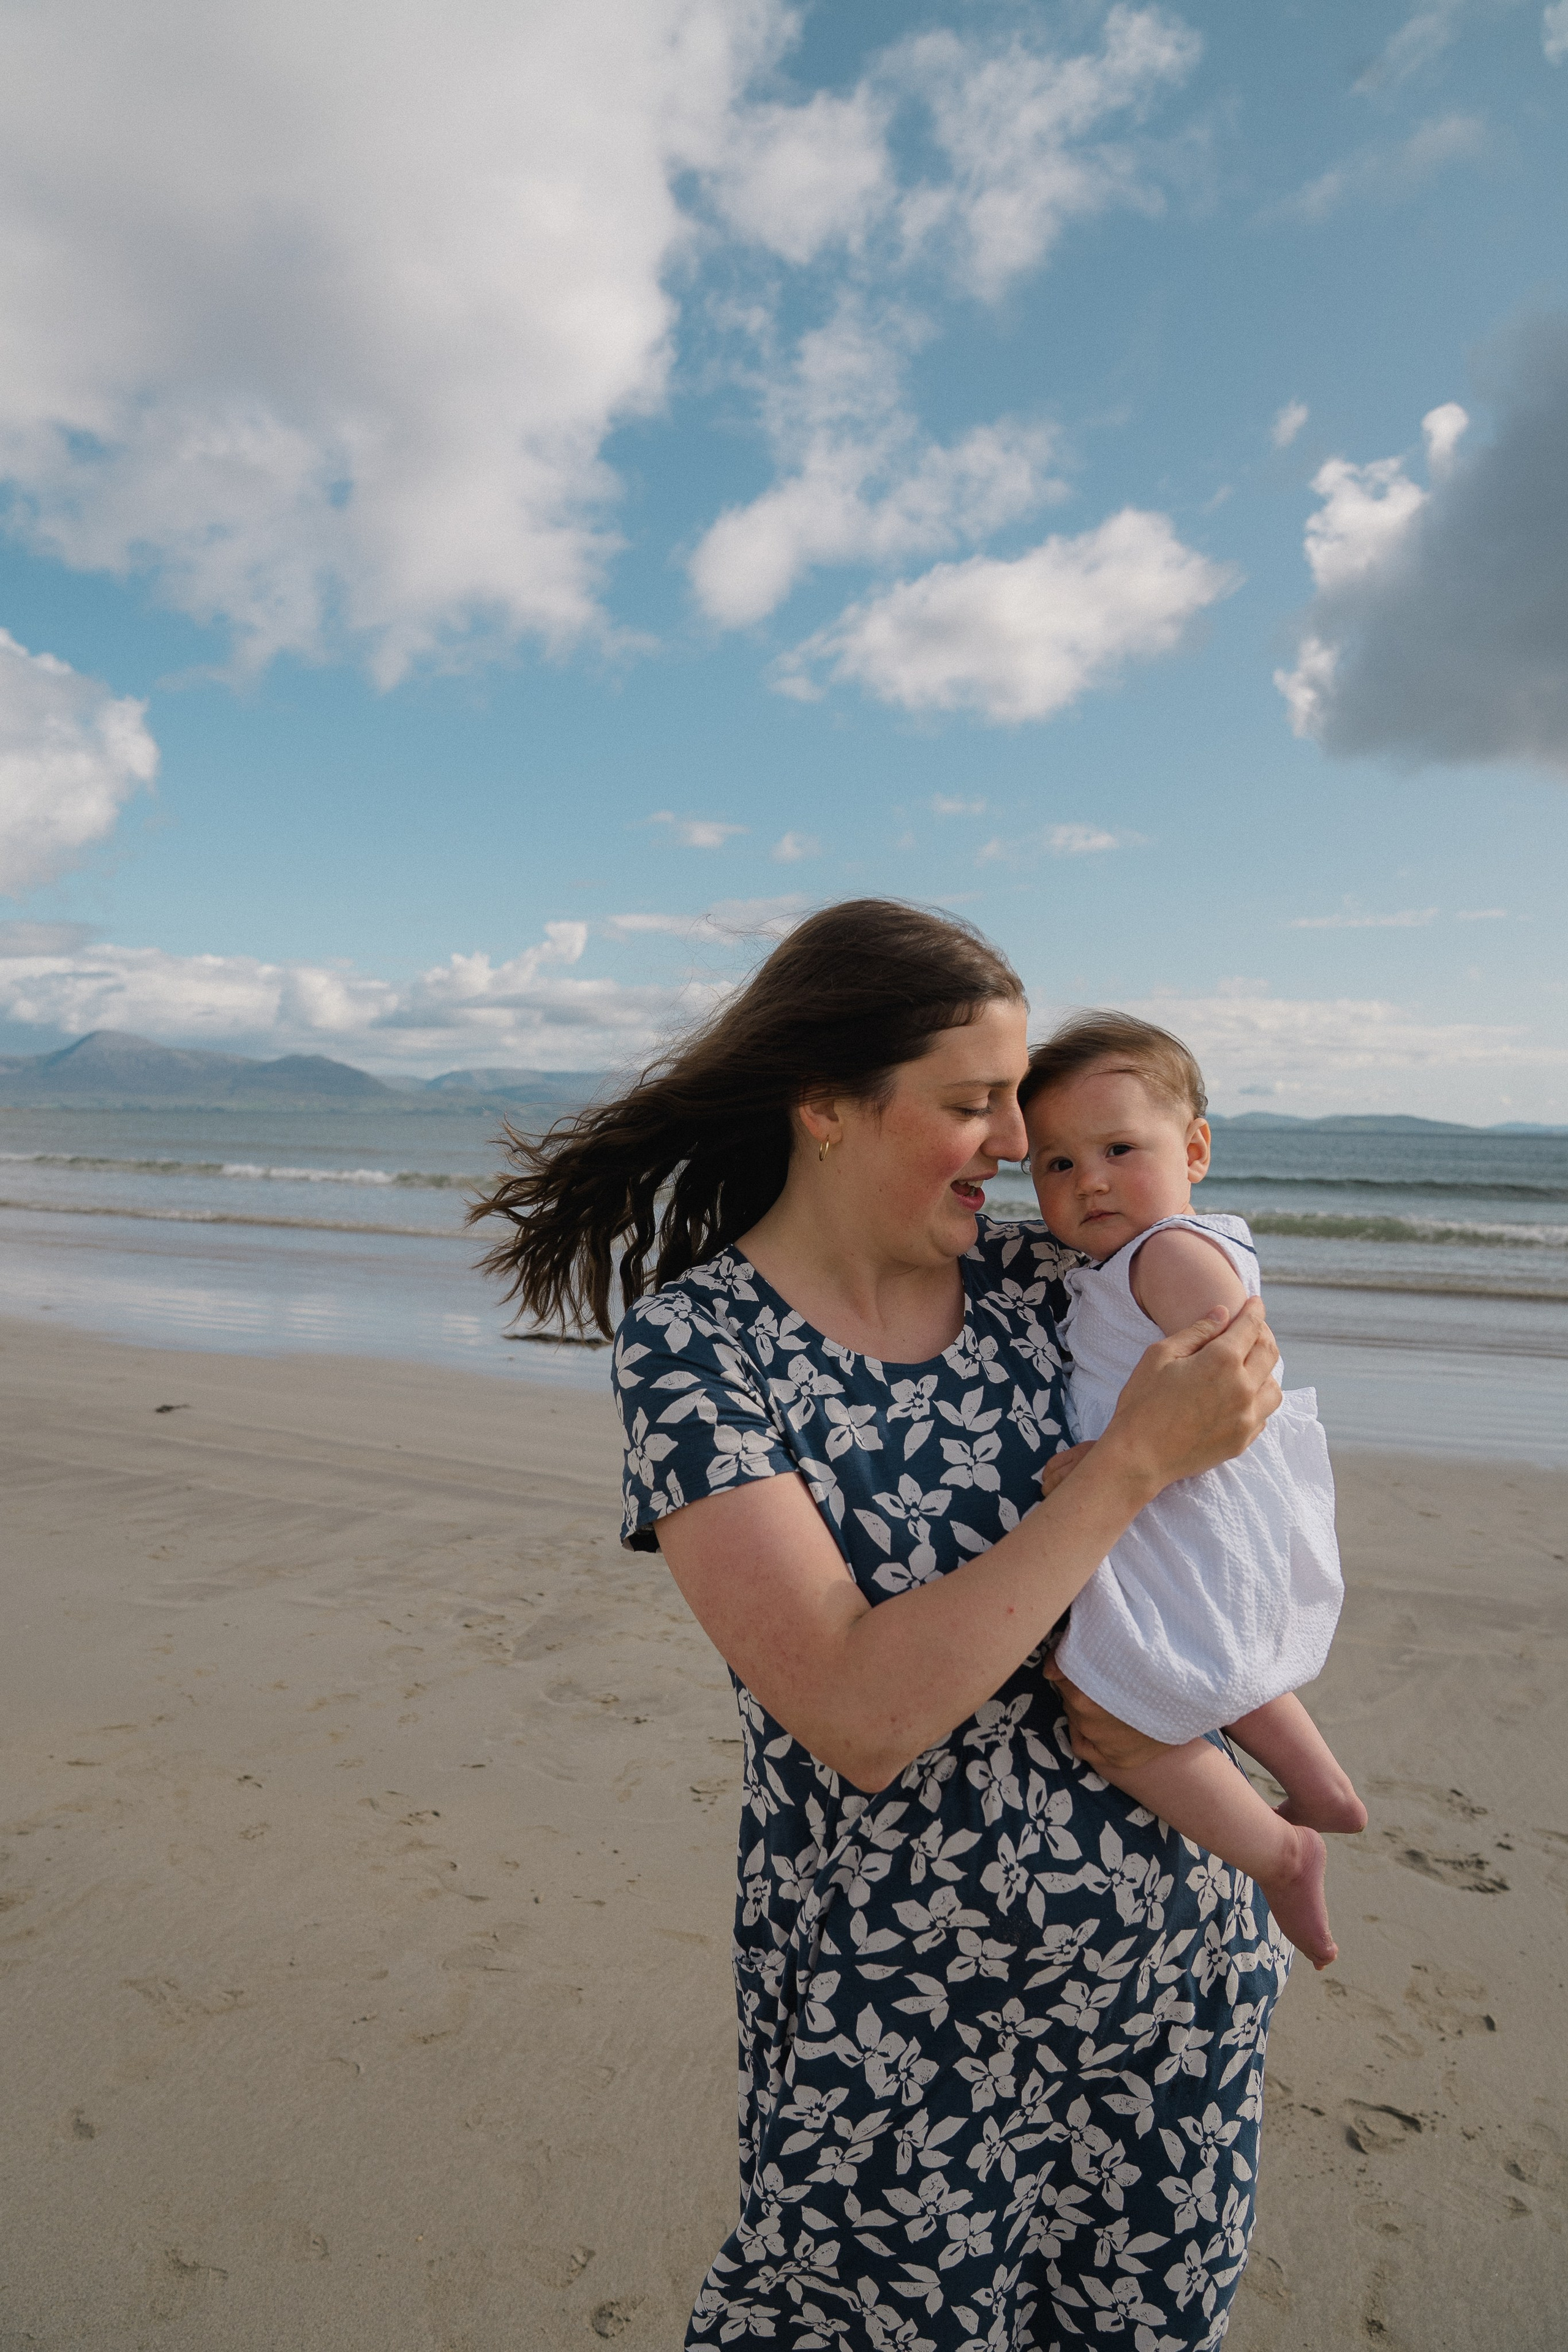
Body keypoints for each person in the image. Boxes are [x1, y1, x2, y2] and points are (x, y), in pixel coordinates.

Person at [472, 900, 1287, 2352]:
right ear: (827, 1106)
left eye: (1017, 1105)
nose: (1015, 1147)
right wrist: (1124, 1468)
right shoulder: (700, 1347)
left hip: (1173, 1977)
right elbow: (856, 1711)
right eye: (973, 1105)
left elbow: (1236, 1444)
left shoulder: (1059, 1285)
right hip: (899, 2022)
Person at [1019, 1014, 1366, 1972]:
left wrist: (1114, 1455)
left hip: (1183, 1496)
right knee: (1213, 1653)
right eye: (1056, 1163)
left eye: (1119, 1150)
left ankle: (1279, 1850)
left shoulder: (1165, 1253)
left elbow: (1224, 1369)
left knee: (1118, 1709)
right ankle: (1320, 1785)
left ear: (1196, 1151)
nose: (1089, 1180)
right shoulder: (1150, 1253)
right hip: (1189, 1496)